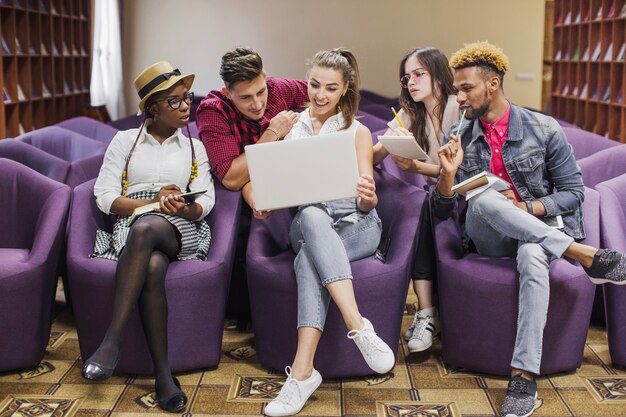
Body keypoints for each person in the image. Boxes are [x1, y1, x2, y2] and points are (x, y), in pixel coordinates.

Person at [433, 41, 626, 417]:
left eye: (466, 88)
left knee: (534, 252)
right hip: (486, 232)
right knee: (486, 196)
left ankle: (523, 375)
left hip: (536, 230)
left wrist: (526, 208)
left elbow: (573, 193)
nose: (459, 97)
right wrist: (447, 175)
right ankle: (583, 255)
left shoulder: (543, 128)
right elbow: (441, 211)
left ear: (492, 84)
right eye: (456, 89)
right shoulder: (456, 138)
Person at [262, 48, 395, 417]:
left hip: (358, 225)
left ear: (345, 89)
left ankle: (302, 373)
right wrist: (266, 201)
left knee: (309, 254)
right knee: (310, 212)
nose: (320, 95)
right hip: (307, 223)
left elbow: (367, 202)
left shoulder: (358, 131)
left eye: (330, 88)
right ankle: (358, 325)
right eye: (314, 85)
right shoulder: (290, 129)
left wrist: (368, 198)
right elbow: (271, 184)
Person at [84, 61, 215, 414]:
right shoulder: (125, 142)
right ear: (152, 108)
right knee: (153, 266)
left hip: (178, 224)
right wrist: (150, 202)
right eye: (174, 101)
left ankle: (112, 340)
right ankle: (163, 376)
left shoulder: (194, 147)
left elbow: (205, 202)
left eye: (186, 97)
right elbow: (105, 195)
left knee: (148, 229)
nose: (186, 105)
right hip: (133, 219)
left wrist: (175, 205)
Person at [195, 47, 309, 326]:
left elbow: (328, 93)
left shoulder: (280, 89)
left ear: (265, 77)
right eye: (245, 97)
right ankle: (252, 315)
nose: (257, 103)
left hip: (287, 184)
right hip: (235, 204)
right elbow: (232, 177)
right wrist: (272, 134)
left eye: (260, 92)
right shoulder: (212, 111)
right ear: (227, 91)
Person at [373, 47, 459, 354]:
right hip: (436, 197)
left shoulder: (457, 107)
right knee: (417, 205)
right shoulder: (412, 113)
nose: (411, 82)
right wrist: (381, 143)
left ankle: (427, 314)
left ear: (439, 74)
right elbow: (373, 156)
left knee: (422, 204)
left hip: (464, 193)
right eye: (406, 77)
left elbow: (463, 173)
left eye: (419, 74)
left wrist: (418, 167)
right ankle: (426, 312)